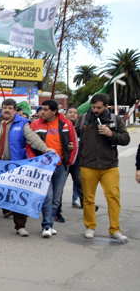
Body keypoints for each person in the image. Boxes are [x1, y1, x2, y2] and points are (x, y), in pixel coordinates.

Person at [0, 98, 52, 237]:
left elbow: (33, 138)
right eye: (5, 107)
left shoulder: (22, 122)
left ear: (14, 109)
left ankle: (20, 226)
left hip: (15, 165)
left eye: (10, 108)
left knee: (17, 195)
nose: (7, 110)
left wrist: (45, 149)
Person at [76, 94, 131, 241]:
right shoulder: (83, 119)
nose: (95, 110)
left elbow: (126, 139)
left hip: (109, 165)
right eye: (93, 107)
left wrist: (111, 134)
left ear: (107, 106)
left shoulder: (115, 119)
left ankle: (115, 229)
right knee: (88, 198)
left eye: (99, 107)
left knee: (113, 197)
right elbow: (73, 135)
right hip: (88, 164)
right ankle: (90, 227)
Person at [26, 100, 77, 238]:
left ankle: (50, 224)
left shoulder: (67, 124)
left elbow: (74, 143)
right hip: (43, 167)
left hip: (61, 167)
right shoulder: (35, 124)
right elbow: (29, 145)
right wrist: (34, 161)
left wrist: (70, 161)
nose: (42, 112)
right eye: (42, 109)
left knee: (56, 199)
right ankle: (47, 225)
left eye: (46, 110)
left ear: (54, 112)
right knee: (47, 197)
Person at [65, 106, 84, 209]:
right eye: (70, 112)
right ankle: (56, 206)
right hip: (65, 161)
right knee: (60, 184)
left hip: (77, 161)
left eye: (75, 113)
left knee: (79, 182)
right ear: (66, 114)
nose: (72, 114)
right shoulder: (62, 126)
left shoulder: (80, 128)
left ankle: (78, 201)